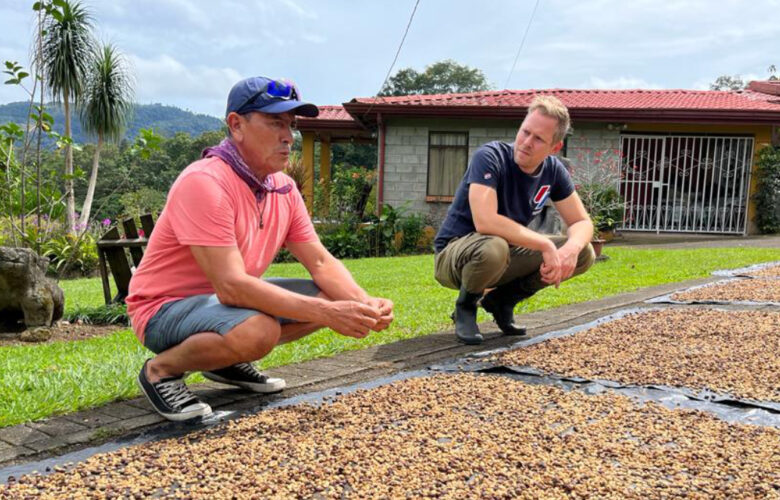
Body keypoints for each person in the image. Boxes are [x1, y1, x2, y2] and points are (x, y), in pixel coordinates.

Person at [127, 76, 394, 421]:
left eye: (292, 125)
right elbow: (232, 286)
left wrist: (363, 304)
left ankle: (226, 361)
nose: (288, 136)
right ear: (236, 125)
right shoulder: (205, 182)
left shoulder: (282, 187)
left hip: (221, 308)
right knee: (261, 330)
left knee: (332, 296)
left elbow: (319, 261)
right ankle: (160, 371)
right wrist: (329, 315)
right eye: (275, 122)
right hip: (163, 310)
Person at [433, 96, 595, 345]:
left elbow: (582, 222)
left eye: (538, 138)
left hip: (503, 252)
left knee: (585, 252)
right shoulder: (490, 157)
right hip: (456, 254)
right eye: (525, 132)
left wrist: (570, 250)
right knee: (493, 246)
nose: (526, 143)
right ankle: (465, 307)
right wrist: (545, 245)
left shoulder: (553, 171)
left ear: (554, 148)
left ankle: (502, 301)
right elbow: (485, 221)